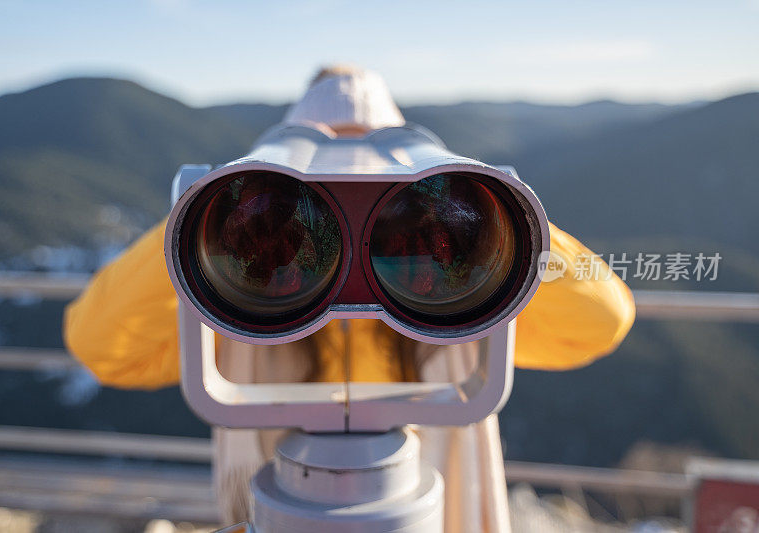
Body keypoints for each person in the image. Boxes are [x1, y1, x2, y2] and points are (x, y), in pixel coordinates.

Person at [64, 66, 635, 532]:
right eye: (315, 182)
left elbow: (600, 319)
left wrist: (493, 210)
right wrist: (204, 215)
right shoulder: (231, 299)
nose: (349, 194)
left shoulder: (467, 293)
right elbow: (101, 346)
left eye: (379, 179)